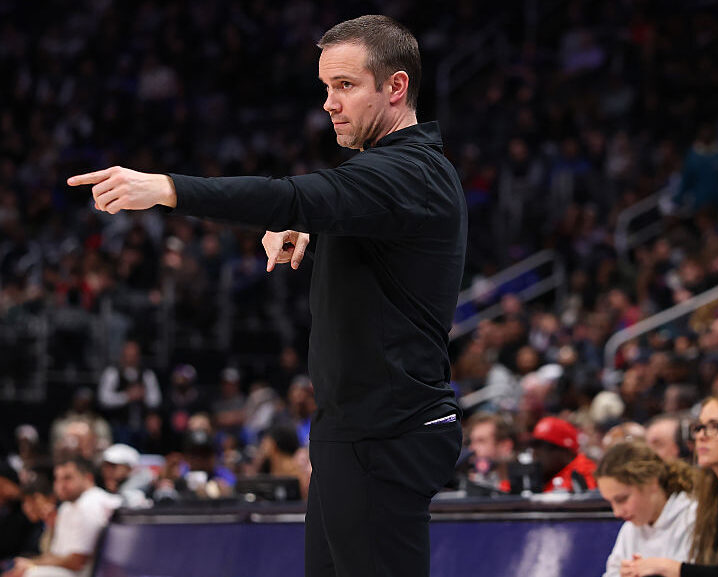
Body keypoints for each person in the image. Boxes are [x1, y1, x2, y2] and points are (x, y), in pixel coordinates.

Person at [67, 15, 465, 577]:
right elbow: (354, 231)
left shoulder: (410, 171)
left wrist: (167, 188)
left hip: (386, 432)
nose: (329, 103)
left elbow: (291, 196)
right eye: (326, 87)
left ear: (395, 87)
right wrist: (313, 232)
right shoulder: (391, 177)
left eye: (346, 86)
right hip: (355, 430)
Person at [623, 393, 718, 577]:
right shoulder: (709, 493)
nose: (701, 436)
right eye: (699, 427)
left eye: (714, 426)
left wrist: (669, 568)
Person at [5, 457, 122, 577]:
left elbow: (77, 562)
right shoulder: (67, 507)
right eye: (57, 479)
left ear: (88, 478)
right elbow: (55, 554)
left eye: (68, 478)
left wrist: (33, 564)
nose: (61, 485)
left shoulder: (90, 503)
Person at [597, 441, 697, 577]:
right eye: (611, 502)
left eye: (622, 499)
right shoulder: (630, 528)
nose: (617, 512)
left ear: (652, 483)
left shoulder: (692, 518)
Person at [530, 416, 598, 493]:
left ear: (565, 451)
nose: (535, 452)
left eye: (542, 446)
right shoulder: (548, 474)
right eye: (534, 446)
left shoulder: (582, 470)